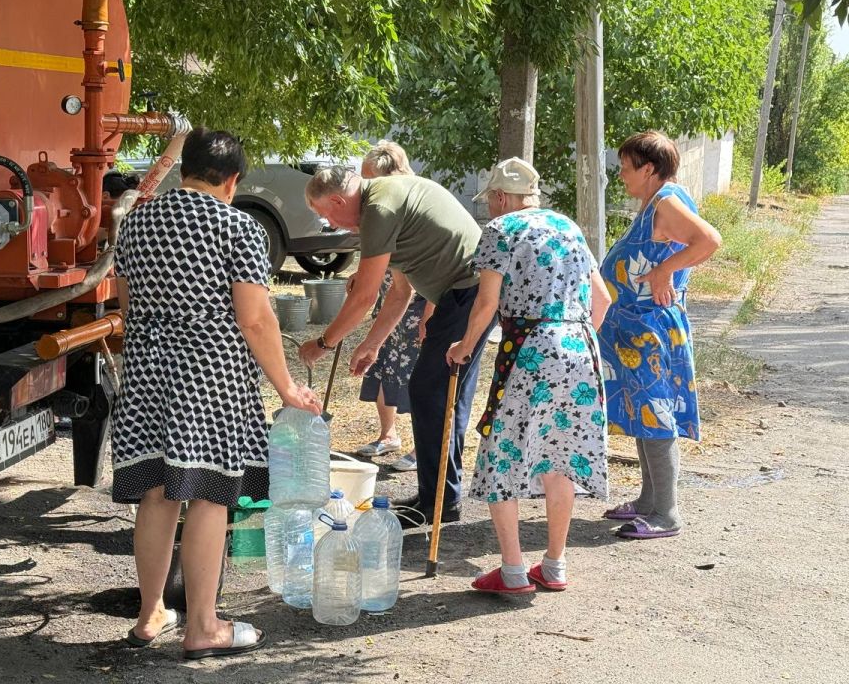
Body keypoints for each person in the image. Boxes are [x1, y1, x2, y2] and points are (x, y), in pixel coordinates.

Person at [111, 128, 321, 659]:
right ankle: (203, 626)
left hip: (145, 371)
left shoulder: (135, 221)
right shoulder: (239, 228)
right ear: (231, 181)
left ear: (186, 171)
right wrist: (288, 388)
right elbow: (255, 320)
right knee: (209, 493)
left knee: (157, 491)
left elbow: (128, 305)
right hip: (209, 375)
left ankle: (150, 612)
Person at [447, 157, 611, 593]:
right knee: (561, 455)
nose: (491, 209)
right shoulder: (569, 228)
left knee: (501, 454)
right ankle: (554, 566)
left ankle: (513, 571)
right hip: (579, 347)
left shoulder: (502, 231)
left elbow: (485, 305)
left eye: (492, 201)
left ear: (501, 197)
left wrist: (463, 349)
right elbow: (604, 301)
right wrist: (570, 341)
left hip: (529, 347)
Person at [298, 166, 493, 528]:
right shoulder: (383, 203)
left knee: (432, 391)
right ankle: (438, 497)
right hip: (462, 295)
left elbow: (365, 296)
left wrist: (324, 343)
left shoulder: (380, 209)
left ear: (340, 199)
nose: (331, 222)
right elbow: (400, 292)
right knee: (440, 393)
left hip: (470, 293)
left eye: (326, 214)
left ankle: (440, 502)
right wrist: (373, 345)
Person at [599, 131, 721, 539]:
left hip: (649, 333)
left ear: (648, 169)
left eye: (625, 168)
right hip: (636, 332)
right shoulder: (659, 200)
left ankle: (666, 514)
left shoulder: (667, 203)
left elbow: (709, 240)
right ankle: (649, 501)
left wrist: (665, 271)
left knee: (655, 415)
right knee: (642, 415)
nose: (621, 176)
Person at [354, 141, 434, 472]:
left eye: (369, 179)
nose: (365, 187)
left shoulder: (414, 203)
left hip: (416, 307)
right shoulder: (381, 208)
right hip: (390, 302)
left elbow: (434, 268)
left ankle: (421, 446)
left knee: (415, 376)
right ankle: (388, 435)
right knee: (383, 365)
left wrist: (429, 314)